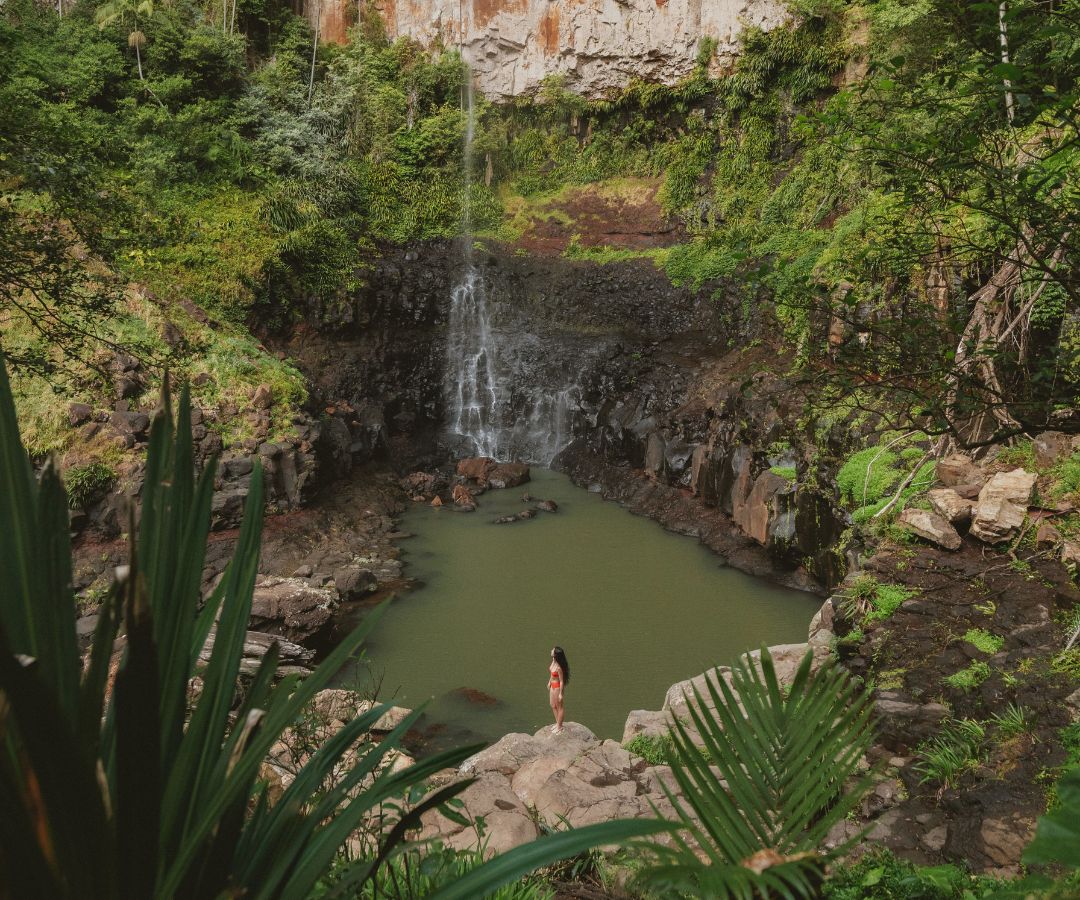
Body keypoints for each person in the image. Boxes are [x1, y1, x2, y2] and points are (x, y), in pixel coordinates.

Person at [548, 646, 570, 734]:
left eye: (553, 650)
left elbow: (561, 681)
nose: (551, 650)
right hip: (552, 686)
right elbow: (551, 674)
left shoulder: (559, 668)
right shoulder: (554, 661)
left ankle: (559, 726)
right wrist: (549, 682)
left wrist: (561, 693)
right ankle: (558, 723)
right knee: (552, 705)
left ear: (556, 655)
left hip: (557, 687)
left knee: (559, 707)